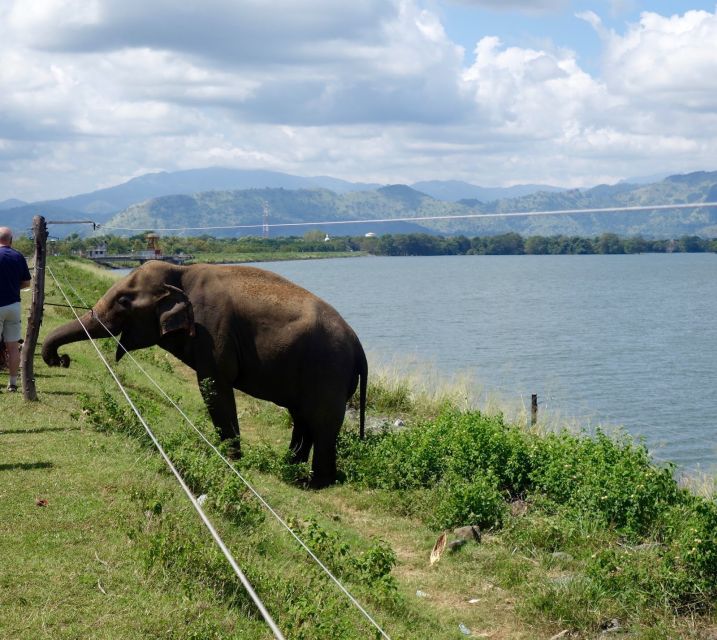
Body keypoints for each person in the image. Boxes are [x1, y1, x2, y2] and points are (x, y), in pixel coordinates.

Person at [0, 227, 32, 392]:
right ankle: (12, 383)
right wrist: (13, 287)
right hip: (13, 305)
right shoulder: (18, 256)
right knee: (13, 347)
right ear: (11, 240)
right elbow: (27, 283)